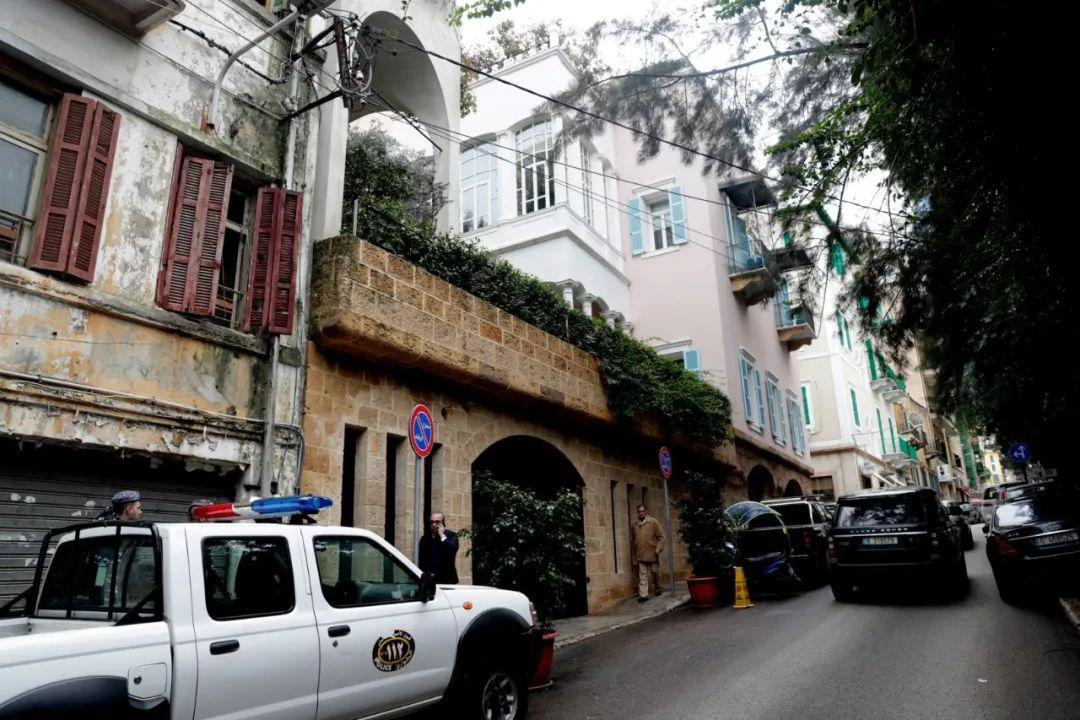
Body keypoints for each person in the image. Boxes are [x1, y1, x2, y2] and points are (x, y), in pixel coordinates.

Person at [632, 504, 665, 602]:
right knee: (642, 575)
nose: (641, 513)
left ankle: (658, 588)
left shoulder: (653, 522)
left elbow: (661, 537)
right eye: (639, 511)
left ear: (646, 511)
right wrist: (634, 554)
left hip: (652, 553)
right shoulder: (635, 524)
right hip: (641, 554)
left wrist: (658, 549)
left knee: (655, 572)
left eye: (643, 511)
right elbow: (633, 540)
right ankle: (643, 595)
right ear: (637, 512)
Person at [417, 512, 459, 584]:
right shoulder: (424, 538)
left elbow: (453, 549)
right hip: (429, 581)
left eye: (437, 522)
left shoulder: (451, 535)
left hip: (447, 580)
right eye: (431, 522)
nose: (434, 525)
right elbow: (422, 561)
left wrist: (442, 535)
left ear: (443, 523)